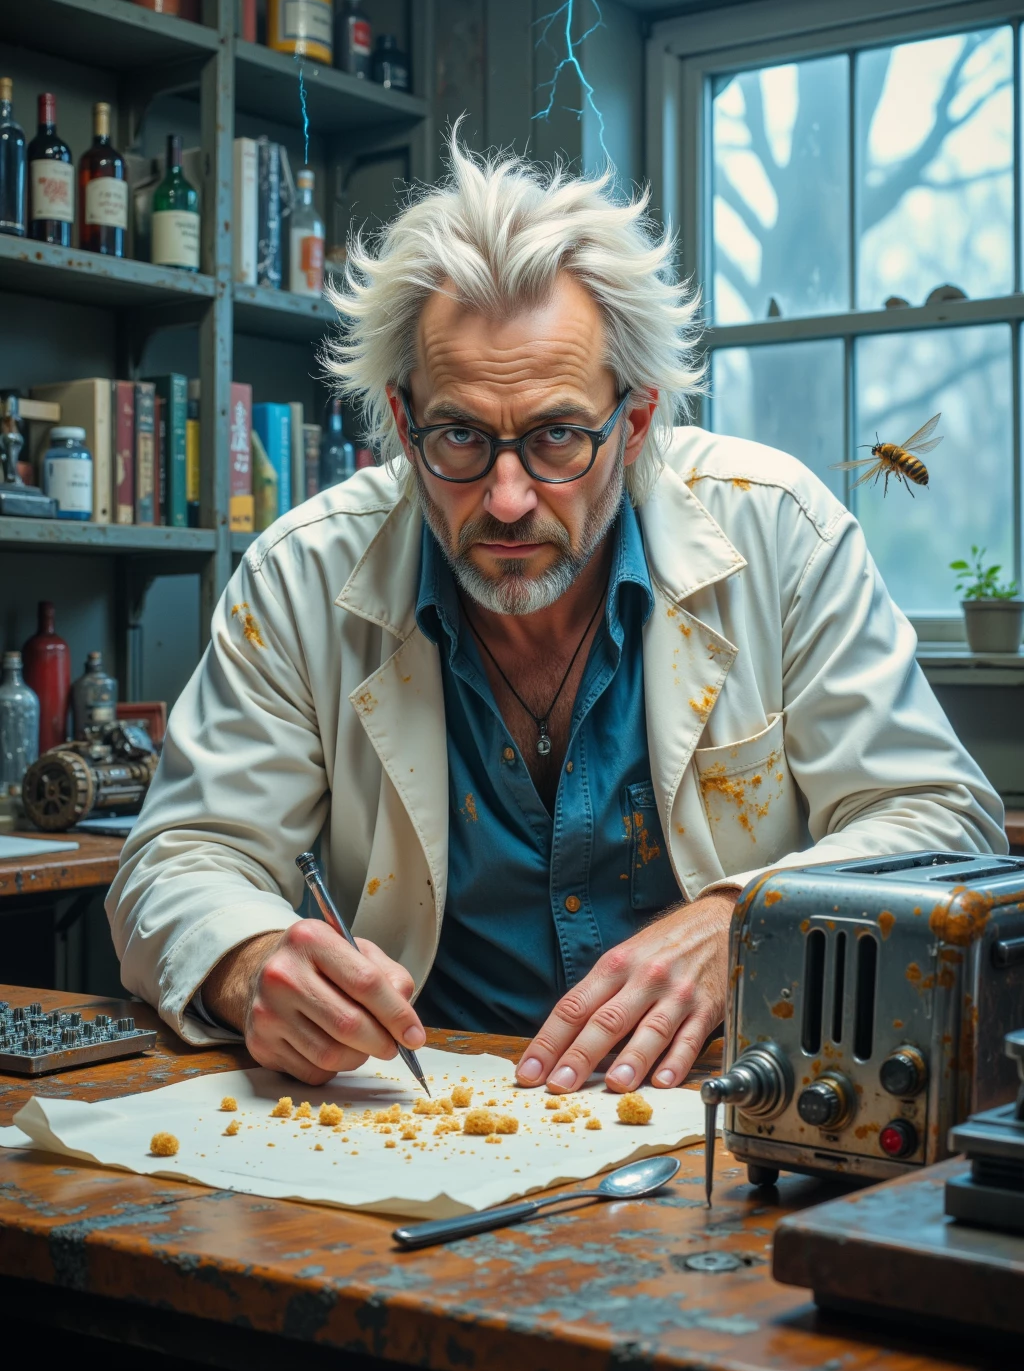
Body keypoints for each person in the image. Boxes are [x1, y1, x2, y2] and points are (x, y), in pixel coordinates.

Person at [107, 137, 1005, 1098]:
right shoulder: (300, 573)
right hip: (414, 1110)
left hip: (726, 1107)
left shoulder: (780, 529)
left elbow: (943, 818)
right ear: (404, 423)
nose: (504, 498)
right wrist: (248, 966)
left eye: (557, 437)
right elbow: (180, 858)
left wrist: (743, 919)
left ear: (637, 420)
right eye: (459, 435)